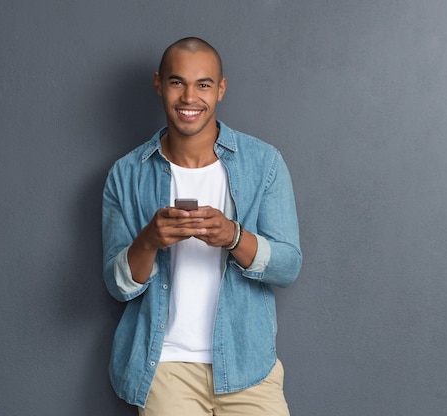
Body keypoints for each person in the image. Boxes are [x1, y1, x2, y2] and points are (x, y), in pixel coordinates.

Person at [102, 37, 302, 415]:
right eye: (177, 82)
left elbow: (288, 266)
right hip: (164, 369)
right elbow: (116, 287)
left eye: (203, 84)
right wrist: (149, 240)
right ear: (159, 83)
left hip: (248, 366)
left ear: (221, 89)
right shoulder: (126, 174)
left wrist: (233, 236)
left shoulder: (264, 163)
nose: (189, 97)